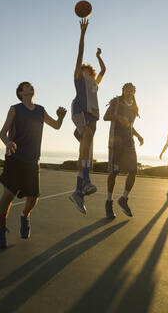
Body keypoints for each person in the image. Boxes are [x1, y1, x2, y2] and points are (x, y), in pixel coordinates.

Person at [0, 81, 67, 247]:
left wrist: (61, 117)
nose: (31, 87)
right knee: (8, 195)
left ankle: (25, 216)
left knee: (33, 197)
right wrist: (7, 142)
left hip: (33, 159)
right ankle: (0, 229)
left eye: (32, 86)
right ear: (21, 92)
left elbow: (56, 126)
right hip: (15, 158)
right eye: (27, 86)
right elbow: (2, 132)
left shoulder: (40, 110)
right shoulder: (15, 109)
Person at [69, 18, 106, 215]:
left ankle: (78, 192)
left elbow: (104, 70)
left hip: (93, 116)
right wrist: (83, 33)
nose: (84, 69)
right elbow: (79, 53)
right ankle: (87, 181)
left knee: (85, 151)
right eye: (82, 68)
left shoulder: (93, 82)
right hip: (79, 111)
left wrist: (99, 56)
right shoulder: (78, 78)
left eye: (87, 68)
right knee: (85, 143)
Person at [103, 83, 144, 218]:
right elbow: (106, 116)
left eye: (132, 89)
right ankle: (109, 202)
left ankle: (124, 199)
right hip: (116, 142)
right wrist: (119, 118)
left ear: (134, 91)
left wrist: (138, 136)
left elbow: (130, 126)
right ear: (123, 90)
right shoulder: (116, 102)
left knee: (134, 170)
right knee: (114, 172)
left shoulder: (134, 107)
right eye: (127, 88)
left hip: (129, 143)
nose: (130, 90)